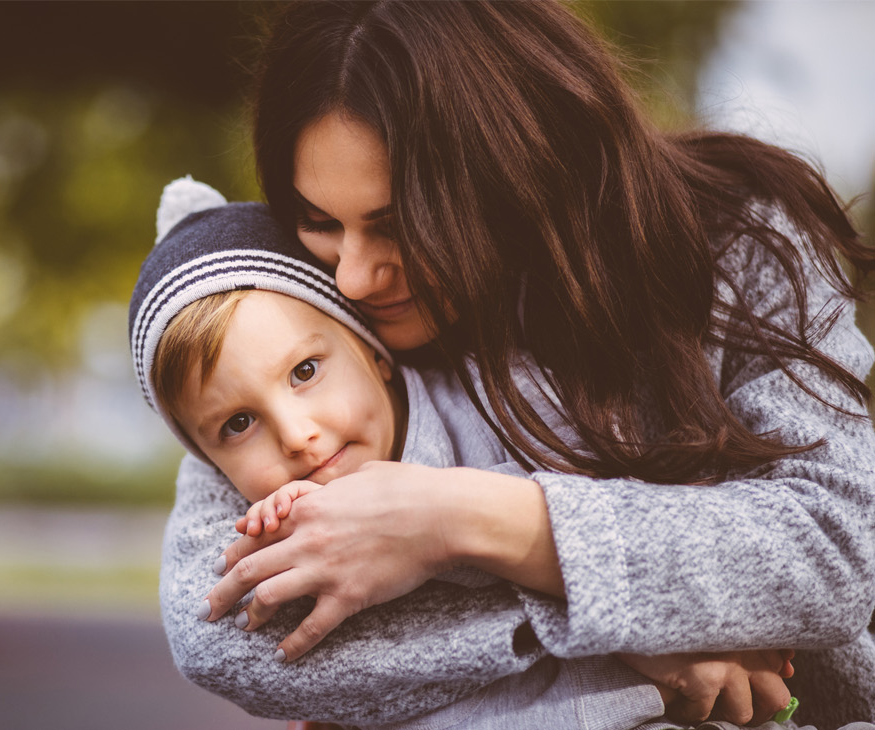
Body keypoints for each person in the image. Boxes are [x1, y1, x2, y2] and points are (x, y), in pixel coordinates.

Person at [157, 2, 875, 729]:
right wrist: (618, 634)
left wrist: (456, 519)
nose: (354, 278)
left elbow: (838, 544)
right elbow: (219, 628)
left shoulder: (732, 243)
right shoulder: (287, 314)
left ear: (517, 156)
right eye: (320, 222)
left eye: (401, 222)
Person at [132, 177, 736, 730]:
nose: (294, 434)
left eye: (305, 371)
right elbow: (218, 642)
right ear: (205, 459)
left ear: (370, 349)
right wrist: (616, 625)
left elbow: (652, 501)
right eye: (237, 424)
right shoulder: (264, 530)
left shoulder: (504, 398)